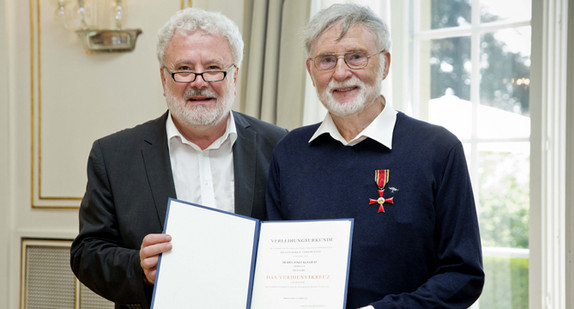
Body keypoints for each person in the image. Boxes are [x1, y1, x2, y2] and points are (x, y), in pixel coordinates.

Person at [265, 4, 484, 309]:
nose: (341, 73)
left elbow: (463, 275)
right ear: (311, 71)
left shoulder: (438, 150)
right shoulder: (290, 151)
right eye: (327, 60)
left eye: (355, 57)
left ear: (385, 63)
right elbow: (274, 264)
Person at [70, 8, 287, 309]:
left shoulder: (280, 146)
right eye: (184, 68)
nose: (199, 81)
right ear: (163, 77)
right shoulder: (114, 155)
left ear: (235, 75)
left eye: (213, 68)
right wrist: (138, 266)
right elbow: (87, 253)